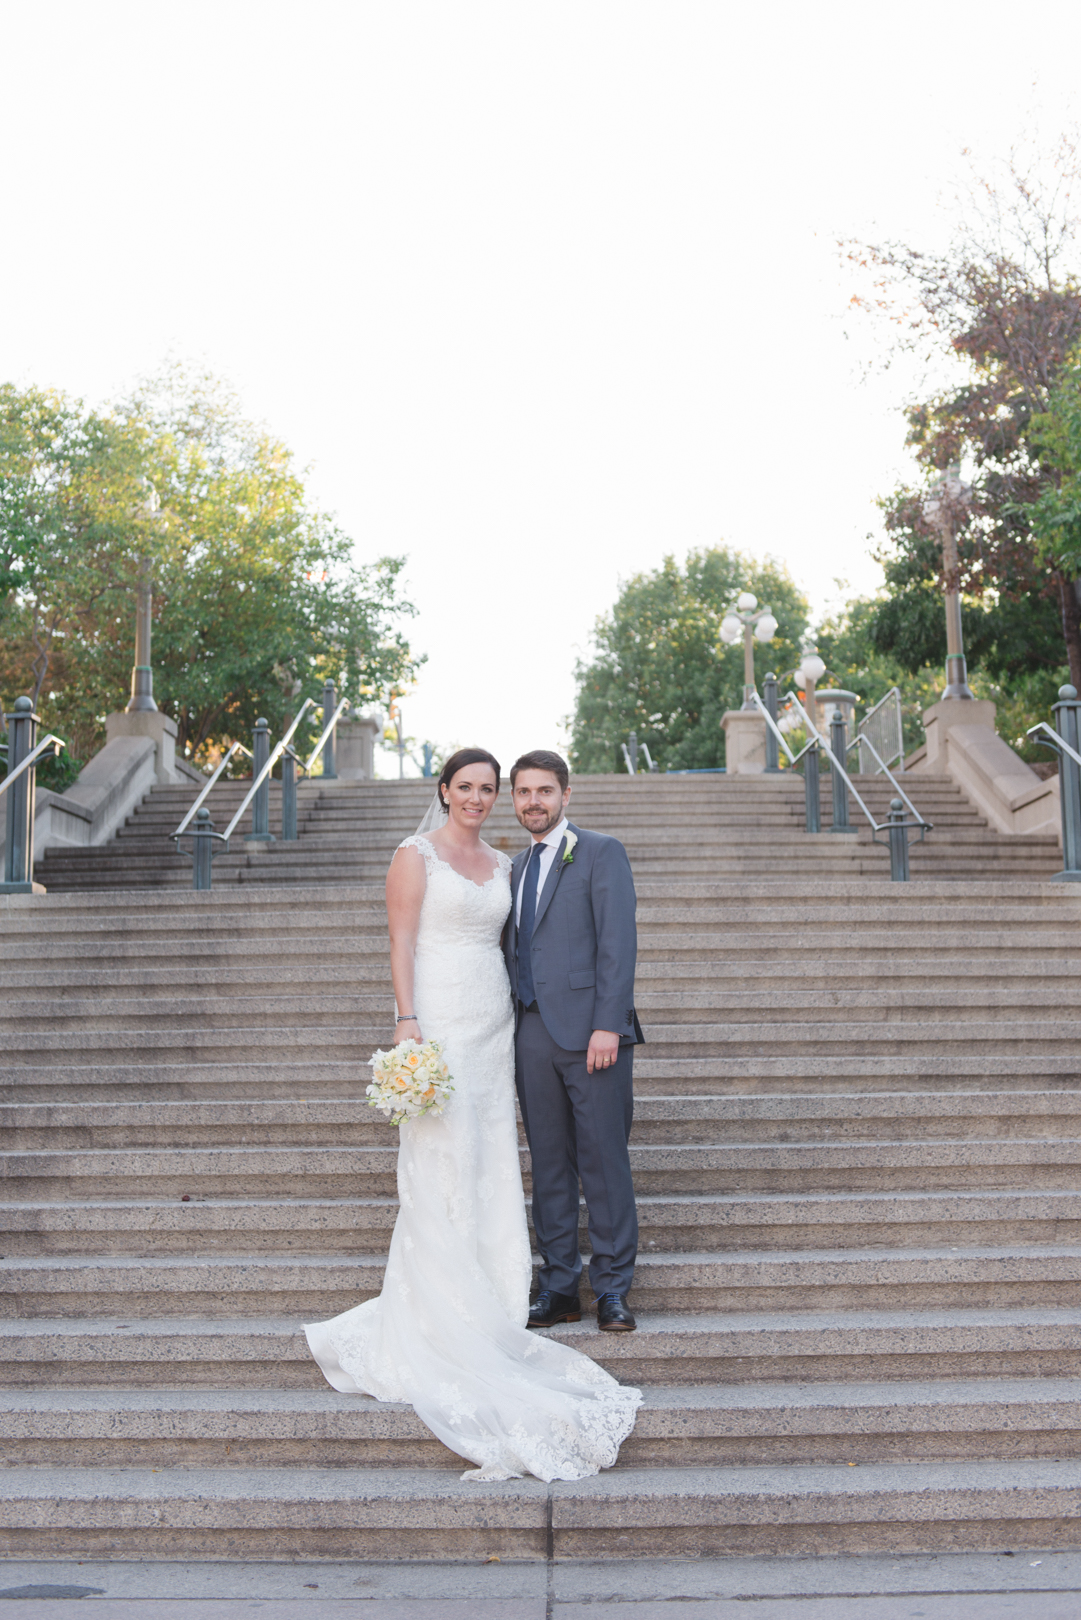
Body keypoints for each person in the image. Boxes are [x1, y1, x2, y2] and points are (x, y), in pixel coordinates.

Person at [303, 747, 640, 1482]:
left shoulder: (522, 861)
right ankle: (500, 1294)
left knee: (525, 1156)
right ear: (445, 790)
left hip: (515, 1027)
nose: (488, 799)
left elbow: (596, 943)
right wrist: (406, 1019)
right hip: (454, 1024)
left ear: (557, 794)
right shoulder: (418, 855)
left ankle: (576, 1287)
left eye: (502, 789)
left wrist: (606, 1021)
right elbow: (400, 939)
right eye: (475, 787)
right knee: (470, 1157)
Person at [504, 750, 642, 1335]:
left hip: (593, 1031)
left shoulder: (600, 852)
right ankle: (559, 1285)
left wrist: (607, 1023)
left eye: (544, 790)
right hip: (531, 1030)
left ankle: (611, 1289)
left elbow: (617, 942)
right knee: (549, 1165)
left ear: (566, 794)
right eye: (523, 792)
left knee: (603, 1162)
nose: (533, 801)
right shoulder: (511, 867)